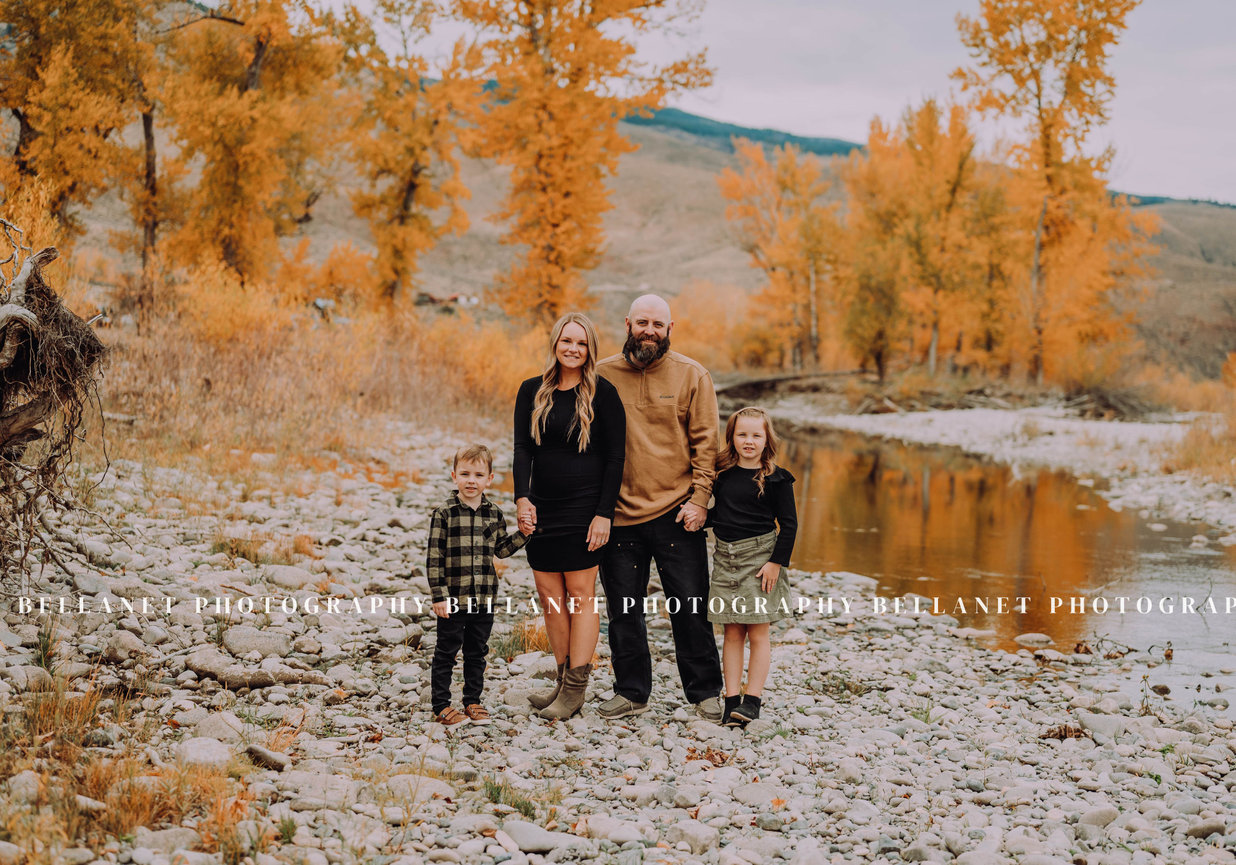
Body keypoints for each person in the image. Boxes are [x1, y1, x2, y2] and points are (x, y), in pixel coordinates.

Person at [595, 294, 724, 721]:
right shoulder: (601, 374)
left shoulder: (693, 375)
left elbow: (707, 445)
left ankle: (705, 692)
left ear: (671, 330)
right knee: (623, 610)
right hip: (618, 517)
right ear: (628, 323)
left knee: (689, 606)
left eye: (658, 324)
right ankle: (631, 692)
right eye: (642, 322)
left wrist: (701, 501)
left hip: (677, 513)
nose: (649, 330)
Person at [513, 312, 626, 720]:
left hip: (584, 508)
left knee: (580, 596)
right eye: (567, 341)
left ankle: (576, 689)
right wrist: (522, 499)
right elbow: (522, 449)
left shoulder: (604, 394)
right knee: (549, 597)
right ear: (555, 344)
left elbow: (615, 458)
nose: (573, 349)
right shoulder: (531, 391)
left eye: (581, 343)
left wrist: (603, 514)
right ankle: (562, 681)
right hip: (542, 508)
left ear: (590, 349)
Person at [707, 407, 798, 726]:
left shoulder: (776, 478)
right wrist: (694, 519)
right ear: (731, 437)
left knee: (758, 632)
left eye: (756, 435)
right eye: (742, 434)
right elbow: (721, 514)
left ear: (766, 439)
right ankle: (732, 699)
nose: (749, 441)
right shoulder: (722, 474)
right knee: (731, 631)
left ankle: (753, 700)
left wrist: (776, 563)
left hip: (760, 561)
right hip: (725, 558)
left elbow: (789, 525)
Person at [427, 444, 529, 726]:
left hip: (483, 597)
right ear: (454, 476)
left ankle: (472, 701)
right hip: (453, 598)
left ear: (489, 479)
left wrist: (524, 534)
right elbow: (434, 558)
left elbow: (502, 550)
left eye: (478, 474)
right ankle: (441, 704)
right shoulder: (444, 513)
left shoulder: (494, 514)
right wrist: (439, 596)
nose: (471, 480)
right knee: (446, 651)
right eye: (465, 473)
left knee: (476, 652)